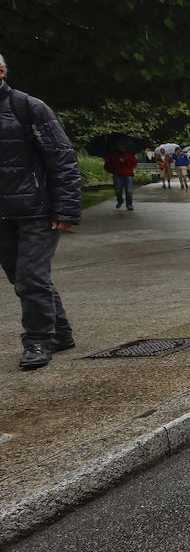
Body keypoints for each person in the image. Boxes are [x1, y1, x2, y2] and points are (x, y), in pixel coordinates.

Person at [0, 52, 81, 371]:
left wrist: (66, 209)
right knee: (22, 278)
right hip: (3, 215)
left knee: (30, 277)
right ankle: (60, 333)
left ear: (2, 71)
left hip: (37, 209)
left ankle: (37, 340)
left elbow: (62, 159)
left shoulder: (28, 106)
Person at [104, 139, 138, 211]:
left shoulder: (129, 154)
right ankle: (120, 200)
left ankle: (129, 205)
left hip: (128, 174)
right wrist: (112, 170)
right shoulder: (113, 154)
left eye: (122, 146)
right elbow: (108, 165)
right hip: (117, 174)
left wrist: (125, 161)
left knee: (129, 190)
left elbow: (133, 164)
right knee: (117, 190)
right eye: (119, 145)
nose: (121, 147)